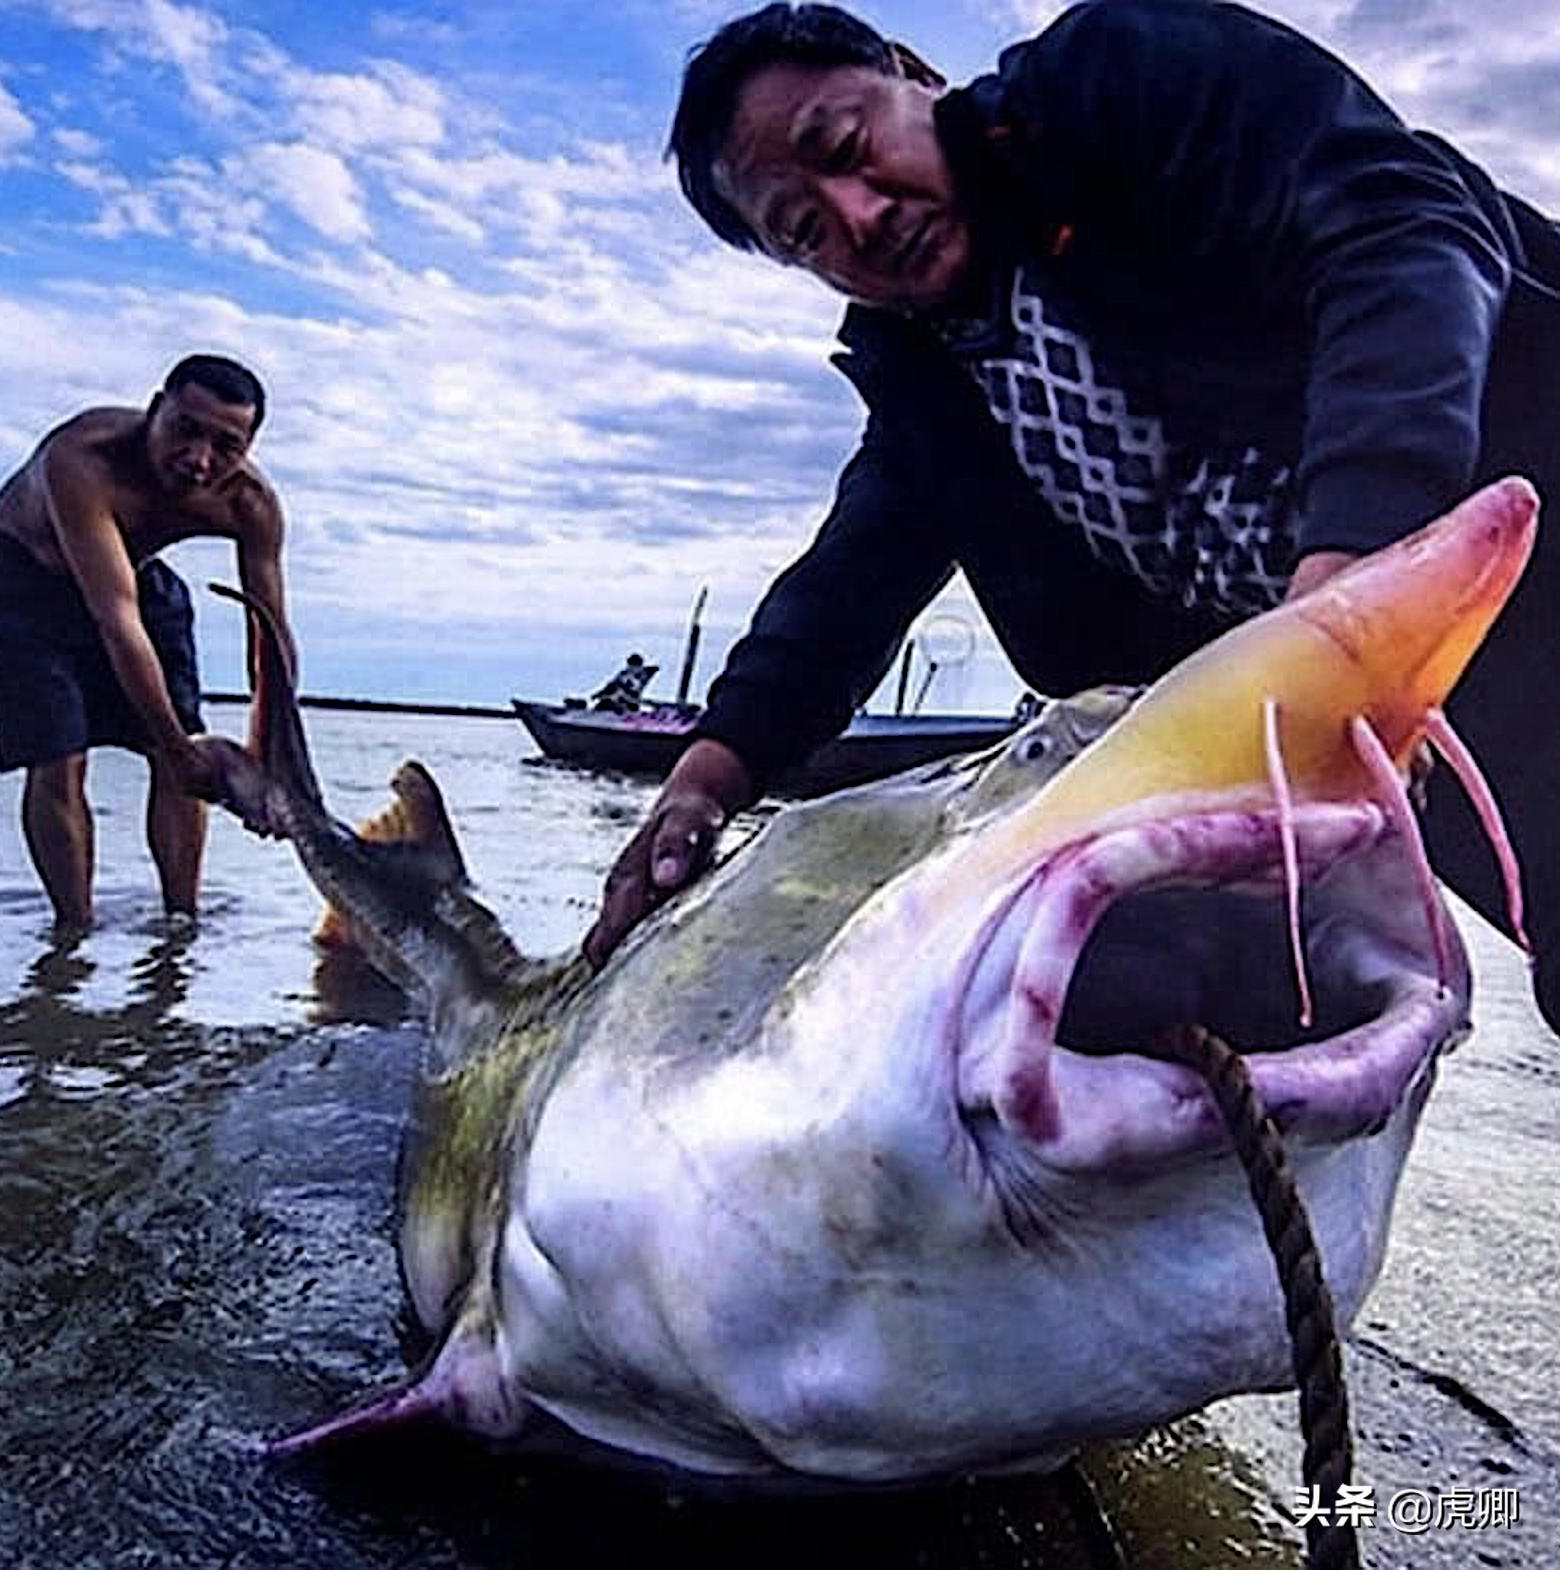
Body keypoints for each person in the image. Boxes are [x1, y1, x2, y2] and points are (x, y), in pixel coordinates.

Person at [583, 0, 1560, 1035]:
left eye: (846, 146)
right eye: (804, 230)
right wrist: (705, 774)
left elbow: (1397, 226)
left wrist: (1344, 573)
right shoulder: (934, 388)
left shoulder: (1121, 83)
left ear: (911, 73)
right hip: (1408, 721)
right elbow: (846, 586)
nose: (857, 216)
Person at [0, 354, 295, 933]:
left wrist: (276, 759)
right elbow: (117, 620)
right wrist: (180, 751)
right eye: (185, 430)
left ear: (249, 446)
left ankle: (180, 926)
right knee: (60, 758)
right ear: (156, 410)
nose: (198, 459)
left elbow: (270, 633)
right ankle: (73, 935)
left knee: (182, 743)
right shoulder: (81, 458)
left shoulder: (249, 503)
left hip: (137, 578)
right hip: (20, 585)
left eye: (225, 445)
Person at [591, 652, 660, 713]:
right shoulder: (623, 675)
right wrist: (598, 694)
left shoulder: (642, 676)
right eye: (630, 665)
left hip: (629, 703)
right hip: (616, 700)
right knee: (606, 700)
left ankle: (619, 711)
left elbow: (633, 691)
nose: (631, 668)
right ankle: (593, 714)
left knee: (619, 697)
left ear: (639, 666)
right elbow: (611, 686)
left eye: (635, 666)